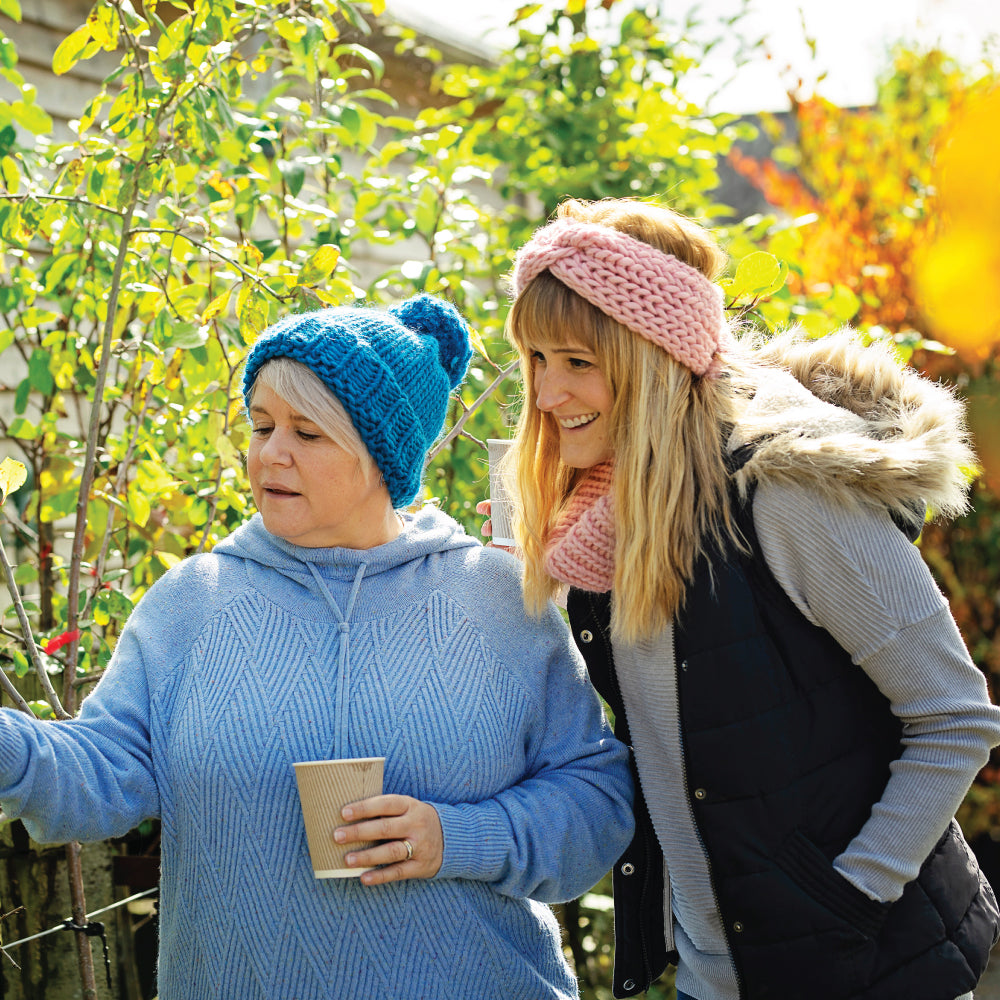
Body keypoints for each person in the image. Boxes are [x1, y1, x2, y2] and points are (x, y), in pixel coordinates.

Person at [0, 293, 635, 999]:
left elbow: (594, 800)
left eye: (307, 433)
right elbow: (98, 775)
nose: (270, 453)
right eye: (262, 425)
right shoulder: (192, 603)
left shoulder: (496, 599)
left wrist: (455, 838)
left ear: (380, 453)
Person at [491, 196, 1000, 1000]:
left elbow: (954, 715)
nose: (547, 393)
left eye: (578, 362)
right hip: (716, 978)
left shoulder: (785, 496)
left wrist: (851, 895)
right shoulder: (607, 515)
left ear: (652, 358)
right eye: (536, 360)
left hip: (866, 972)